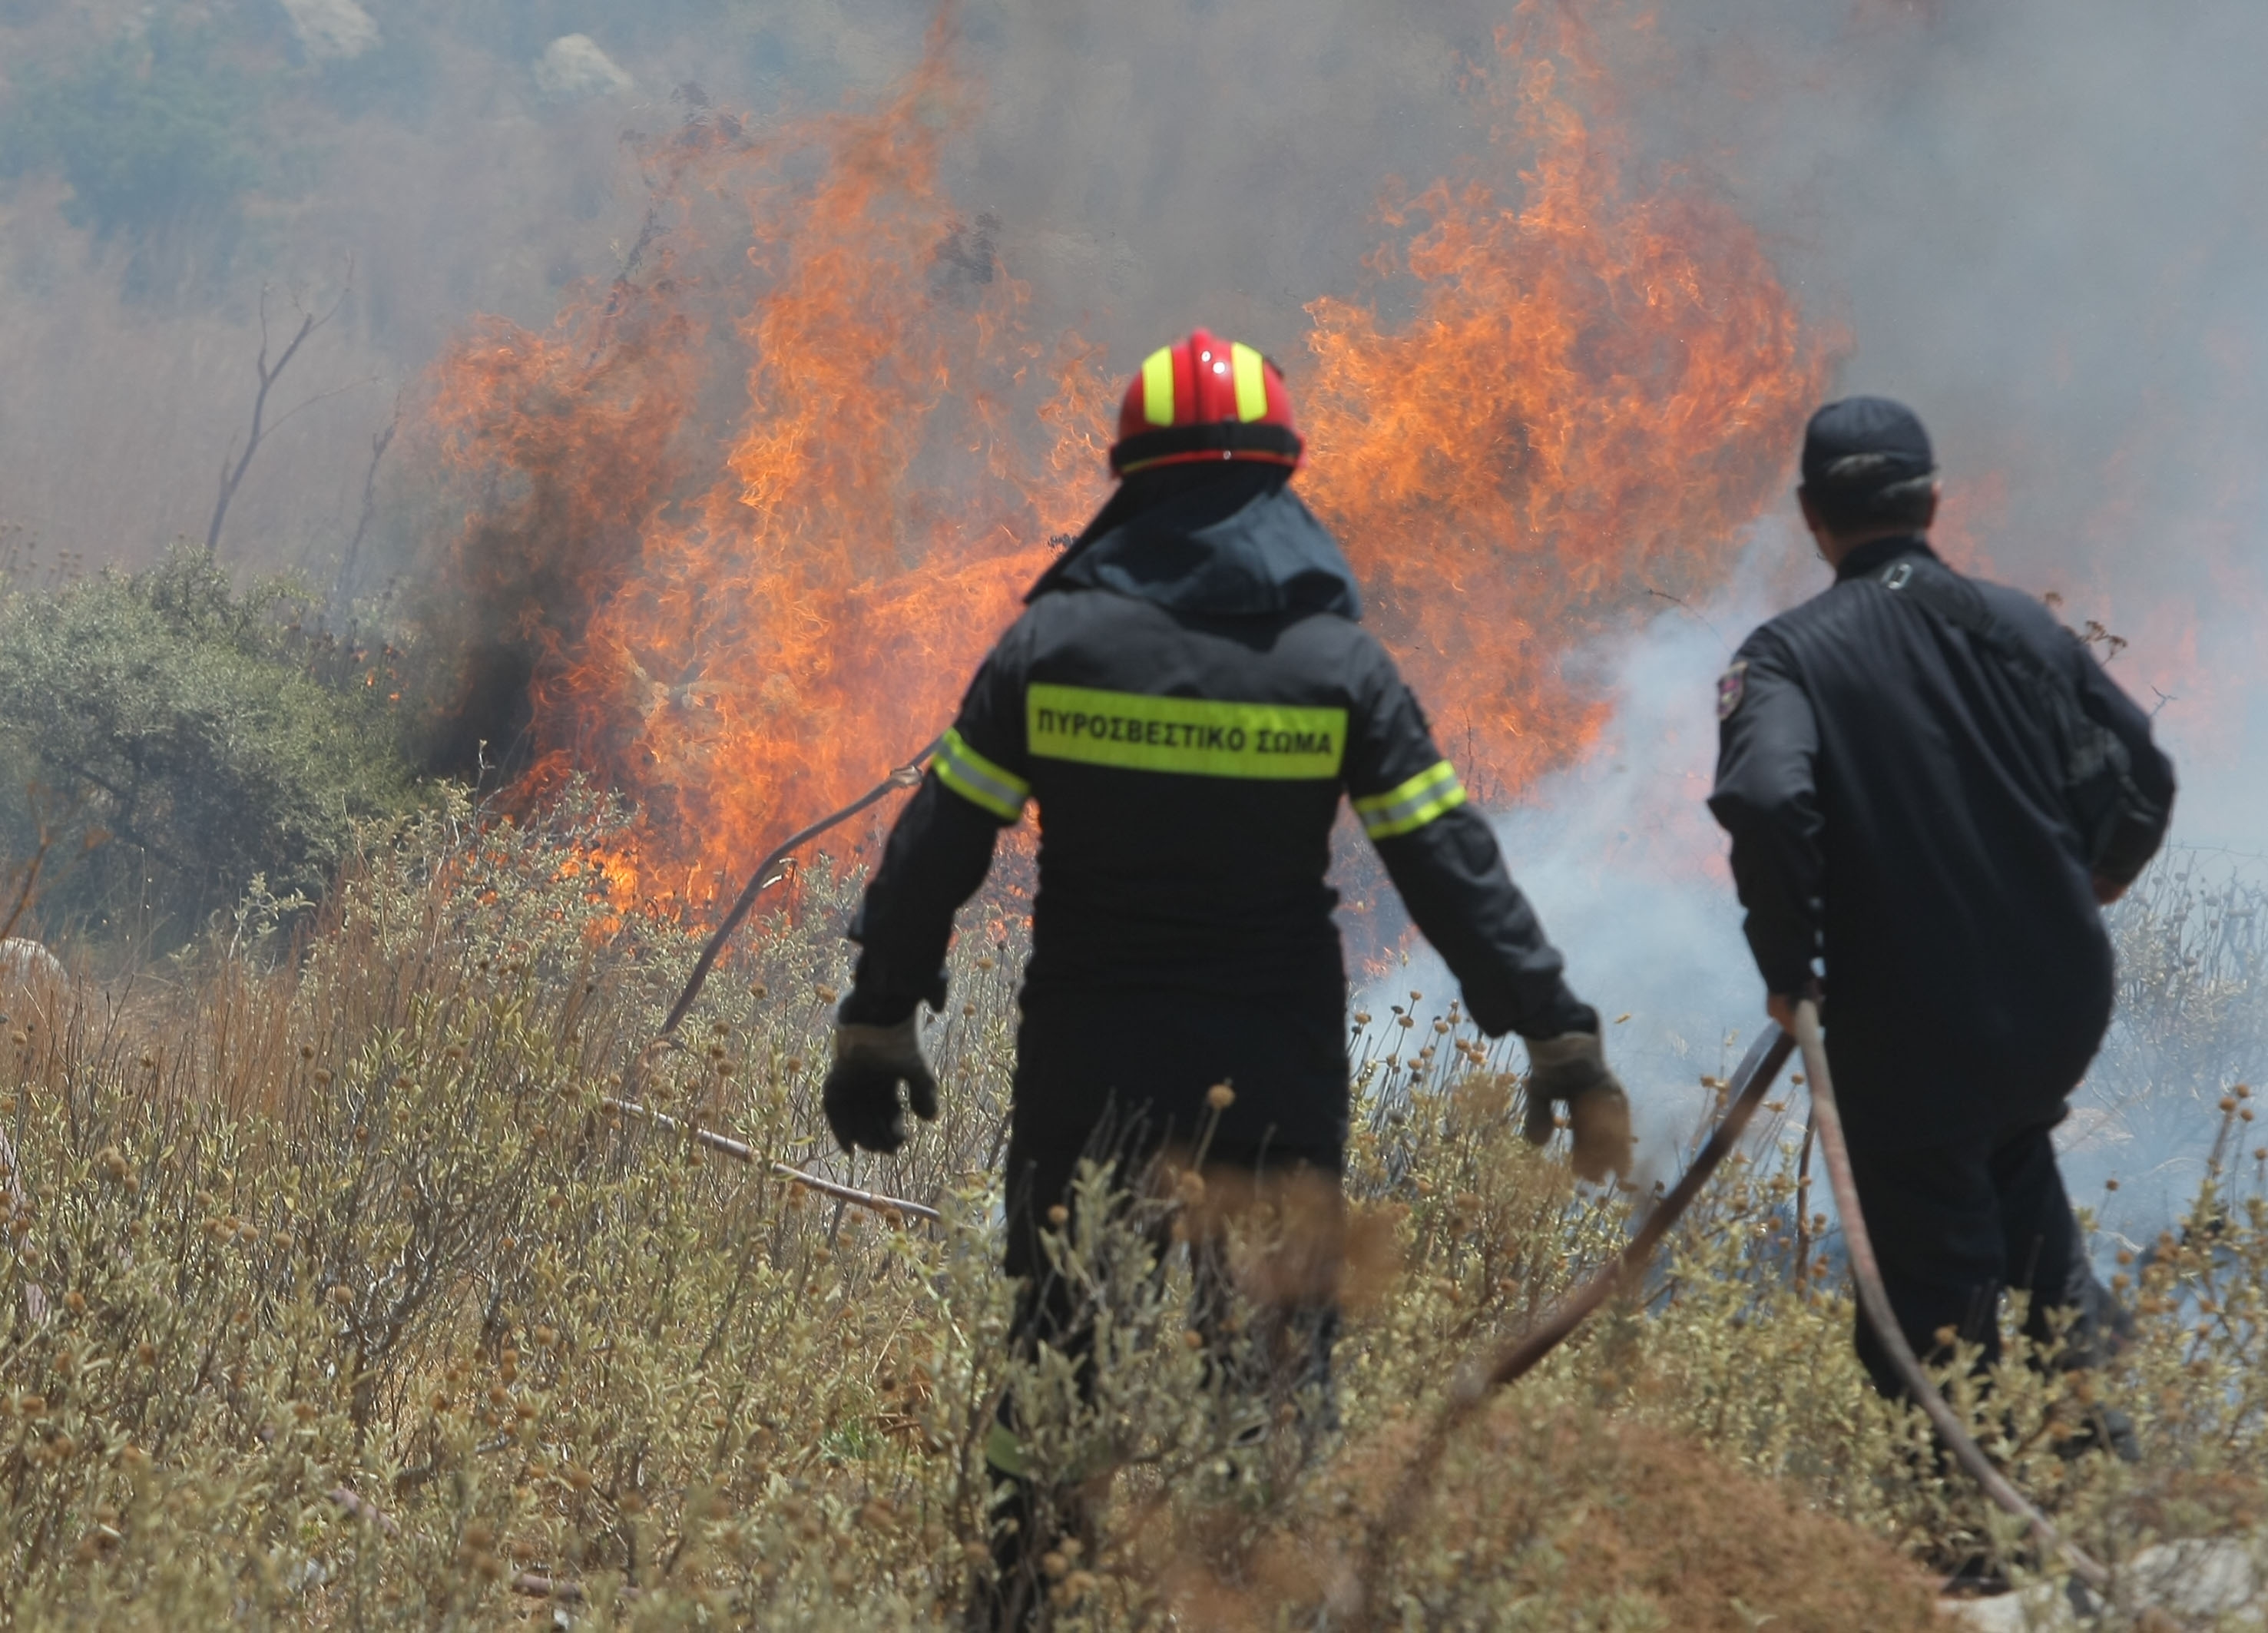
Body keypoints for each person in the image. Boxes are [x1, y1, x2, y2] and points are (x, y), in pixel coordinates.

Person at [821, 329, 1627, 1627]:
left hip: (1087, 1062)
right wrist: (1555, 1032)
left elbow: (934, 850)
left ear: (1129, 484)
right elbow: (1448, 866)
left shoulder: (1055, 647)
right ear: (1281, 484)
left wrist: (877, 1016)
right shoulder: (1336, 668)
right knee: (1272, 1361)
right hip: (1272, 1070)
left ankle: (1027, 1597)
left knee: (1063, 1348)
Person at [1708, 396, 2174, 1433]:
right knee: (2013, 1169)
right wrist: (2100, 878)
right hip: (2056, 1000)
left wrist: (1787, 966)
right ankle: (2100, 1471)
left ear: (1809, 514)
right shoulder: (2012, 623)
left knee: (1929, 1284)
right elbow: (2143, 771)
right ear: (1930, 501)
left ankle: (1965, 1538)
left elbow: (1765, 797)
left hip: (1912, 1020)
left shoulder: (1786, 655)